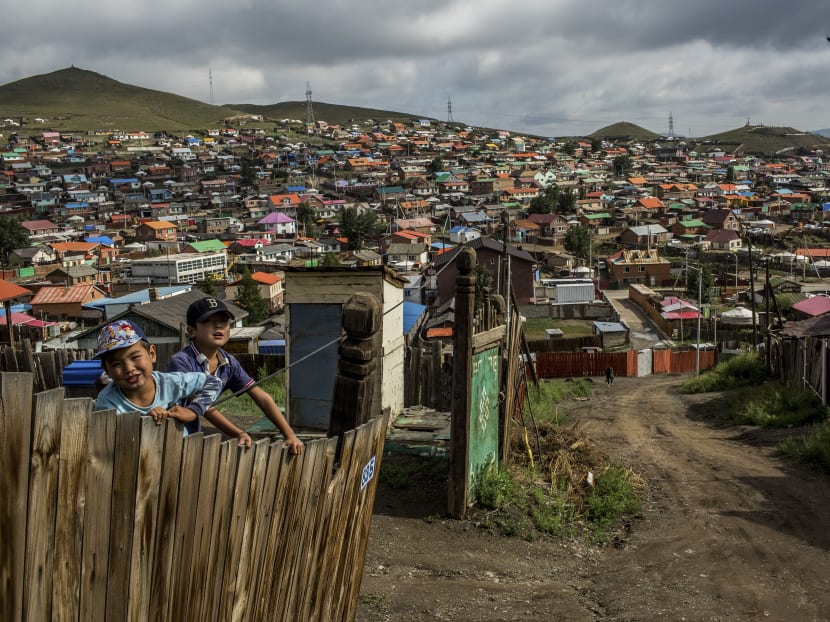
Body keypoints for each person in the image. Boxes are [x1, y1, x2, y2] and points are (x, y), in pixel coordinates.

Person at [168, 297, 304, 455]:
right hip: (167, 432)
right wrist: (238, 433)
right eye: (208, 321)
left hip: (190, 437)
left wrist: (289, 435)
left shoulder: (229, 363)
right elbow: (203, 406)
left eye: (223, 321)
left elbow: (262, 398)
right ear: (191, 331)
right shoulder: (181, 362)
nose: (218, 325)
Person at [93, 319, 222, 436]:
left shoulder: (170, 383)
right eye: (116, 364)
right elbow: (114, 440)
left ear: (152, 354)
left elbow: (213, 382)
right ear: (106, 370)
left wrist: (193, 410)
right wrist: (145, 424)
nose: (129, 368)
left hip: (184, 454)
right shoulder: (107, 403)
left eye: (135, 357)